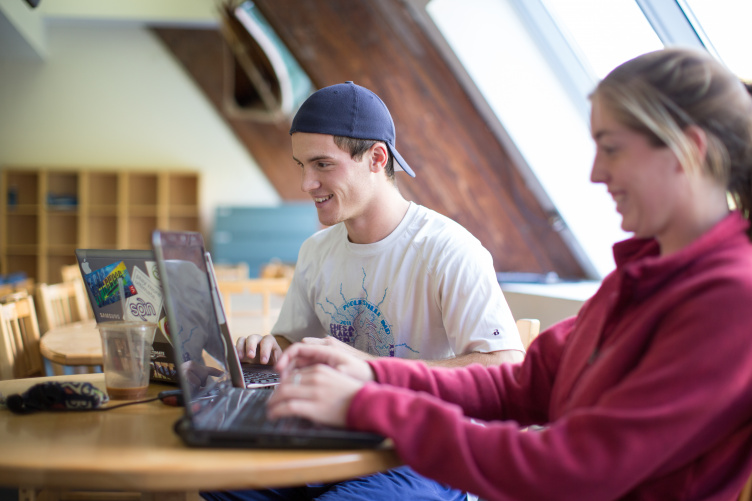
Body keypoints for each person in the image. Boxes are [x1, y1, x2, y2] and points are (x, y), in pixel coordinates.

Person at [264, 48, 752, 500]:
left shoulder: (729, 297)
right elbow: (518, 387)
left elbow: (572, 467)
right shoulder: (642, 276)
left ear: (689, 149)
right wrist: (371, 372)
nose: (595, 173)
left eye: (612, 148)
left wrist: (368, 403)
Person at [205, 81, 524, 501]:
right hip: (337, 432)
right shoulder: (317, 250)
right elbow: (291, 339)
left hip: (425, 453)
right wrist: (269, 347)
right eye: (301, 165)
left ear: (376, 158)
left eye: (322, 165)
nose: (305, 184)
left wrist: (370, 368)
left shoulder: (448, 249)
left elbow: (503, 367)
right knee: (224, 486)